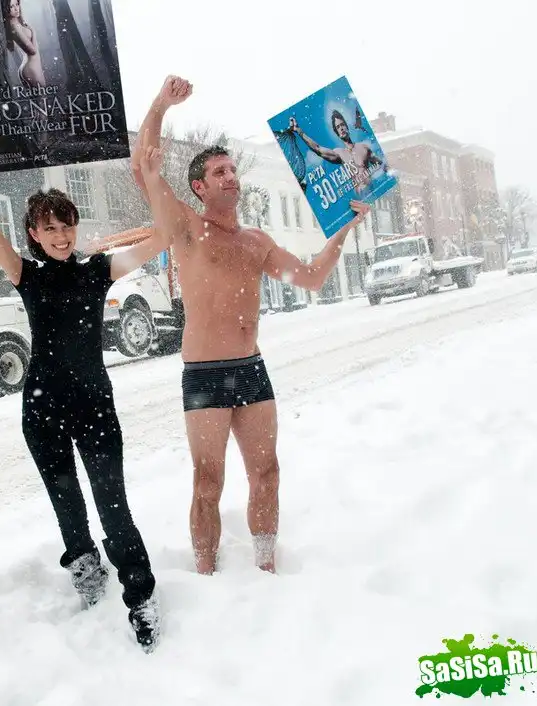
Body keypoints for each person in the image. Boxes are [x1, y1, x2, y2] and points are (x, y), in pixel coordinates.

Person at [131, 76, 371, 576]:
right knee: (208, 482)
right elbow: (143, 166)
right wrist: (160, 105)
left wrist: (345, 227)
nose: (230, 176)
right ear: (199, 187)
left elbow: (312, 277)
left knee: (267, 473)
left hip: (251, 369)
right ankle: (205, 571)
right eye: (218, 171)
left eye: (232, 169)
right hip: (204, 374)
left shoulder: (256, 242)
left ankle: (265, 567)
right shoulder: (186, 228)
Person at [0, 113, 168, 653]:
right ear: (34, 234)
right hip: (43, 407)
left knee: (112, 501)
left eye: (67, 226)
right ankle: (85, 569)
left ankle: (140, 593)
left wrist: (151, 177)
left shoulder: (97, 270)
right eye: (49, 228)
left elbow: (164, 236)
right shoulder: (25, 274)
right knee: (67, 502)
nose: (60, 236)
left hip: (94, 402)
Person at [289, 111, 383, 195]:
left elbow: (381, 164)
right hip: (361, 198)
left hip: (374, 192)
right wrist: (298, 130)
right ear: (337, 132)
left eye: (342, 125)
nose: (341, 128)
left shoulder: (363, 147)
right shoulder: (340, 153)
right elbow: (318, 149)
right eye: (338, 127)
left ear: (346, 126)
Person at [3, 0, 46, 88]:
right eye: (11, 6)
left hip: (30, 66)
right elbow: (33, 51)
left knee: (39, 95)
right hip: (32, 68)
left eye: (17, 4)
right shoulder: (14, 26)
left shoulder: (16, 23)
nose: (16, 8)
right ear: (6, 9)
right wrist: (33, 32)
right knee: (42, 95)